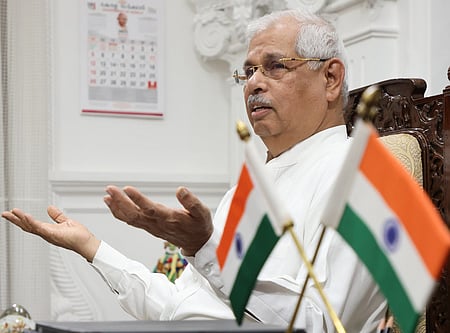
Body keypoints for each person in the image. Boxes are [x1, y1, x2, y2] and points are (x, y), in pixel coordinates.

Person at [2, 8, 387, 333]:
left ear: (331, 78)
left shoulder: (363, 177)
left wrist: (206, 249)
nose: (254, 83)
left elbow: (320, 323)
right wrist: (93, 249)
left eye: (274, 67)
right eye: (248, 71)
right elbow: (179, 309)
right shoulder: (249, 188)